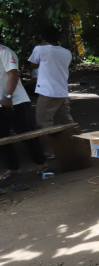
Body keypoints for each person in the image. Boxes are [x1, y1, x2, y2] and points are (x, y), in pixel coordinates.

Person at [1, 43, 48, 183]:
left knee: (27, 133)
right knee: (2, 138)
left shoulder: (4, 51)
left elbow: (13, 73)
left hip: (16, 101)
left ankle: (41, 164)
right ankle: (12, 168)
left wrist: (8, 95)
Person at [28, 25, 74, 133]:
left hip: (47, 91)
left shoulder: (39, 49)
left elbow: (33, 65)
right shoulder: (66, 52)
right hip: (62, 91)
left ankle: (49, 149)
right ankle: (75, 143)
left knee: (43, 122)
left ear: (43, 38)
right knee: (66, 120)